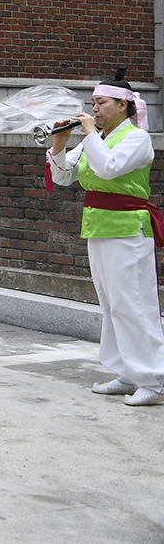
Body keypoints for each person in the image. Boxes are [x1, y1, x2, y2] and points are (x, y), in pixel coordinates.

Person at [46, 69, 164, 407]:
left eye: (102, 103)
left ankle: (153, 379)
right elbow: (64, 176)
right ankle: (127, 373)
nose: (94, 109)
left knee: (135, 304)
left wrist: (88, 135)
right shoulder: (92, 140)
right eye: (93, 103)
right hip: (98, 226)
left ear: (124, 106)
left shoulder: (137, 138)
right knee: (112, 304)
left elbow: (110, 168)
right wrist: (59, 144)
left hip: (128, 228)